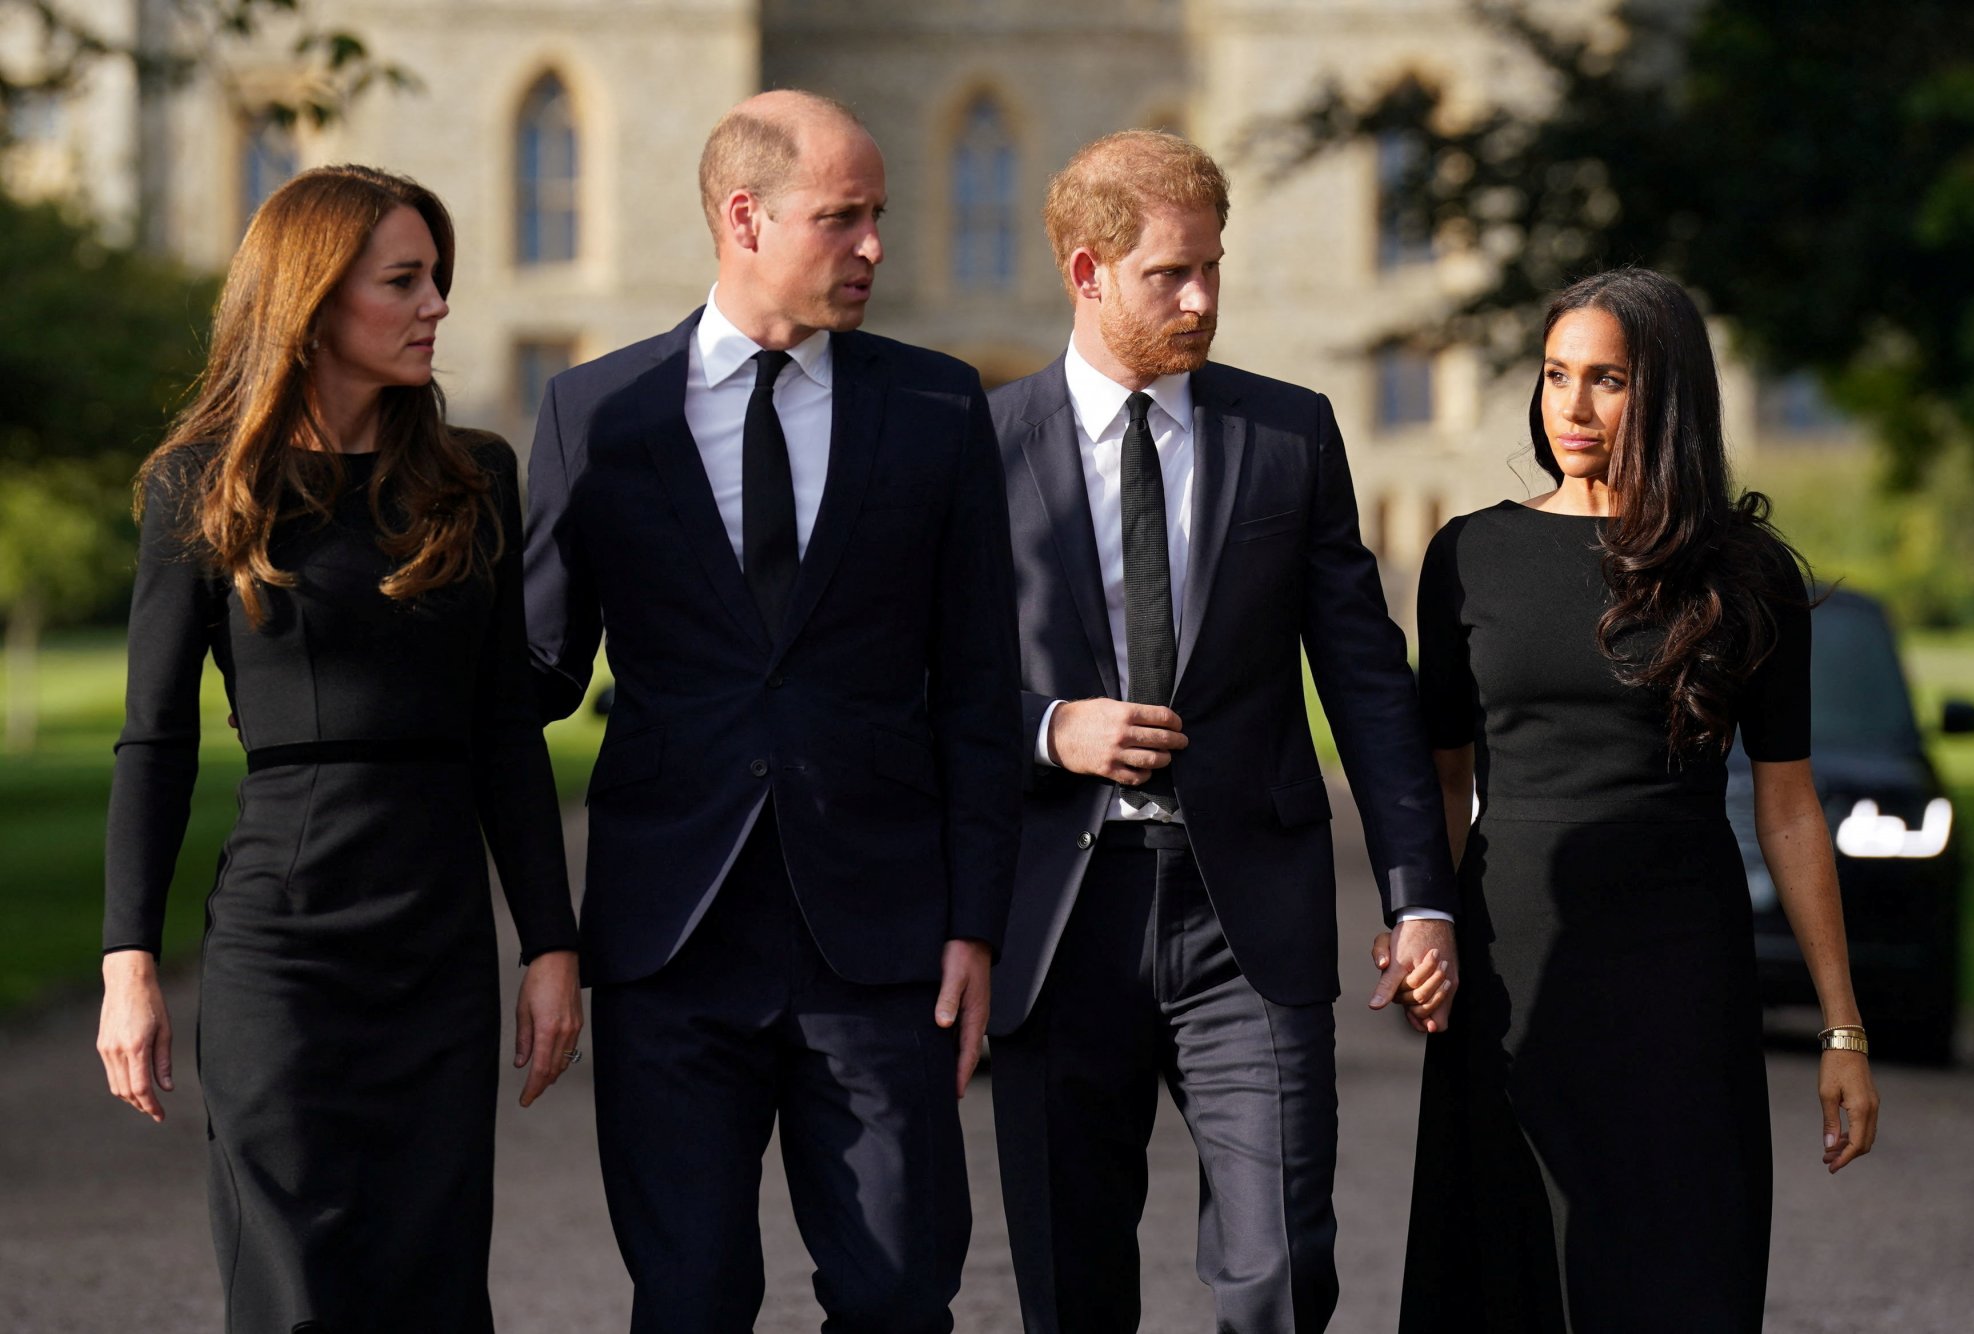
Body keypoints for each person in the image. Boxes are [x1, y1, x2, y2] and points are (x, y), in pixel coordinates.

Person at [520, 90, 1019, 1332]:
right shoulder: (598, 414)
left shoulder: (937, 405)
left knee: (898, 1293)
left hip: (881, 942)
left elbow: (976, 687)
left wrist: (975, 922)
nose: (873, 246)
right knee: (688, 1298)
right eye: (841, 217)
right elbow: (531, 676)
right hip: (669, 938)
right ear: (743, 218)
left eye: (877, 215)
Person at [983, 129, 1460, 1334]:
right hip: (1058, 915)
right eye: (1168, 275)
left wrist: (1418, 894)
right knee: (1070, 1285)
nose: (1200, 299)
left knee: (1281, 1271)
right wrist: (1048, 728)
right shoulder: (979, 448)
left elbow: (1366, 680)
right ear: (1086, 272)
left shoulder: (1288, 435)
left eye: (1211, 268)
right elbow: (914, 683)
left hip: (1244, 915)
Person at [96, 164, 583, 1332]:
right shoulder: (200, 485)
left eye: (437, 278)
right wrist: (128, 962)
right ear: (313, 301)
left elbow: (504, 729)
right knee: (293, 1285)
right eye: (403, 281)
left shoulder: (476, 477)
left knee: (430, 1279)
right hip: (283, 944)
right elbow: (155, 739)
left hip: (438, 940)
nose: (436, 305)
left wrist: (550, 942)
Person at [1396, 267, 1880, 1333]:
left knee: (1674, 1272)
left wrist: (1841, 1028)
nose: (1570, 406)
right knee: (1505, 1270)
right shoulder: (1469, 553)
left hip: (1679, 971)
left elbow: (1788, 806)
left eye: (1606, 380)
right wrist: (1420, 917)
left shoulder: (1744, 571)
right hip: (1511, 964)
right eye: (1555, 374)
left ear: (1665, 393)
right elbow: (1440, 776)